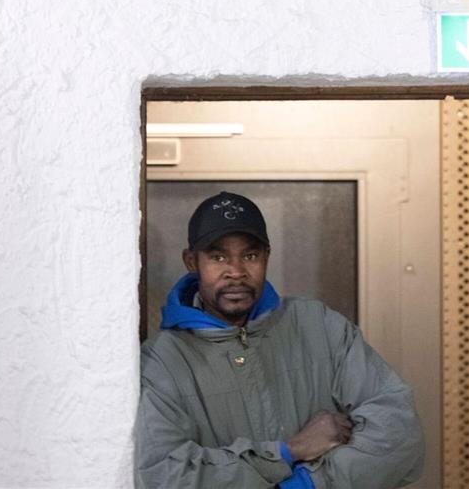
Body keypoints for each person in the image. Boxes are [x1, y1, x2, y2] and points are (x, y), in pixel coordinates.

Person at [135, 192, 424, 489]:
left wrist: (305, 485)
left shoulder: (319, 326)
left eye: (250, 256)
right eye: (218, 256)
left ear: (266, 257)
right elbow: (166, 476)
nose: (236, 272)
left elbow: (397, 431)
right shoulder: (162, 361)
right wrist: (289, 452)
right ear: (192, 262)